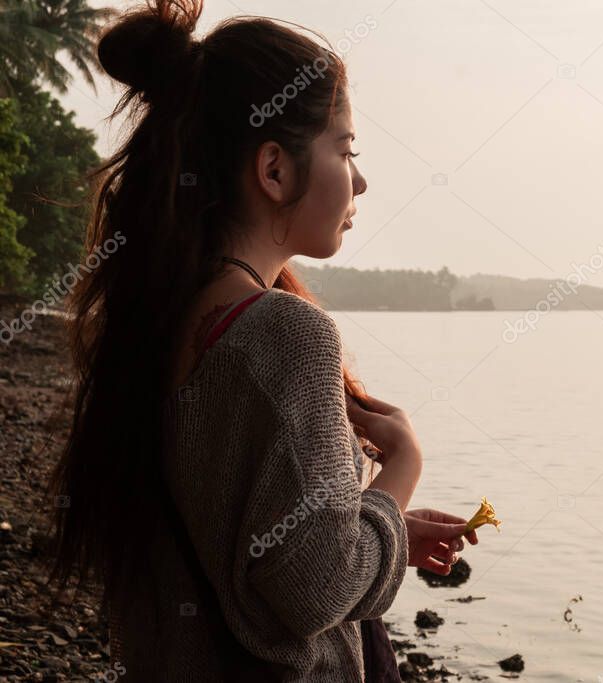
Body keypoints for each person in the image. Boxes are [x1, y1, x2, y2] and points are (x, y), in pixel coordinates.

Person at [45, 0, 478, 679]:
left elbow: (255, 548)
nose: (360, 179)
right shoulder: (284, 331)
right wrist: (401, 467)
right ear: (274, 170)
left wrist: (380, 525)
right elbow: (314, 586)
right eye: (345, 149)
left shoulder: (159, 322)